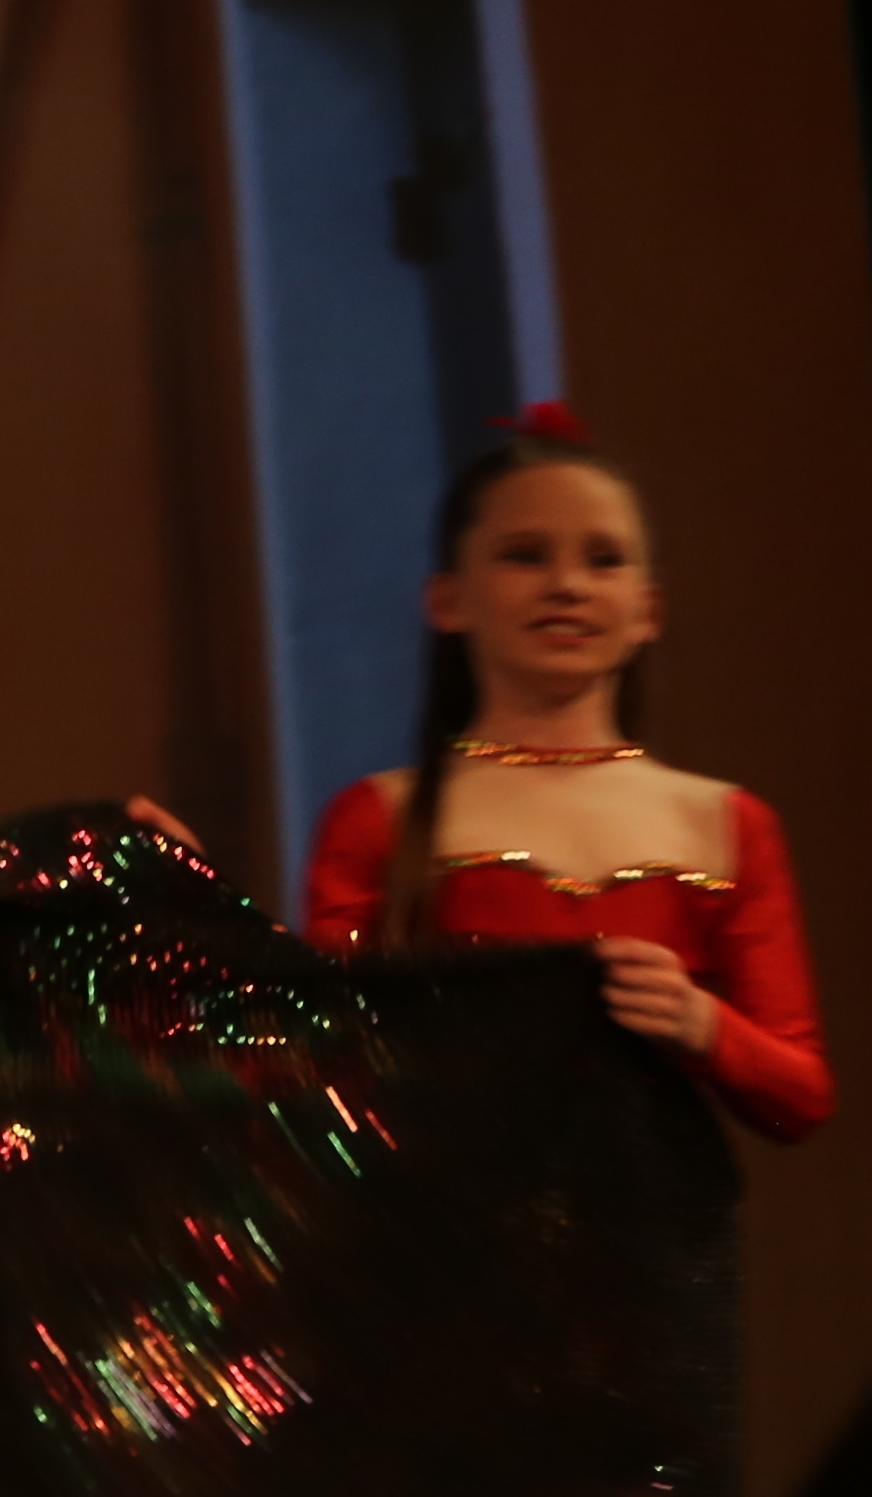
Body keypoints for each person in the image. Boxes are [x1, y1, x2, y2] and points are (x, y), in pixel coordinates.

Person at [300, 407, 826, 1149]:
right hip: (451, 1232)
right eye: (525, 555)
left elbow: (799, 1097)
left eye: (604, 560)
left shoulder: (728, 823)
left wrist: (701, 1023)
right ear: (448, 600)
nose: (568, 585)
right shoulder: (379, 818)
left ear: (649, 610)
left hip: (655, 1242)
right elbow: (318, 1059)